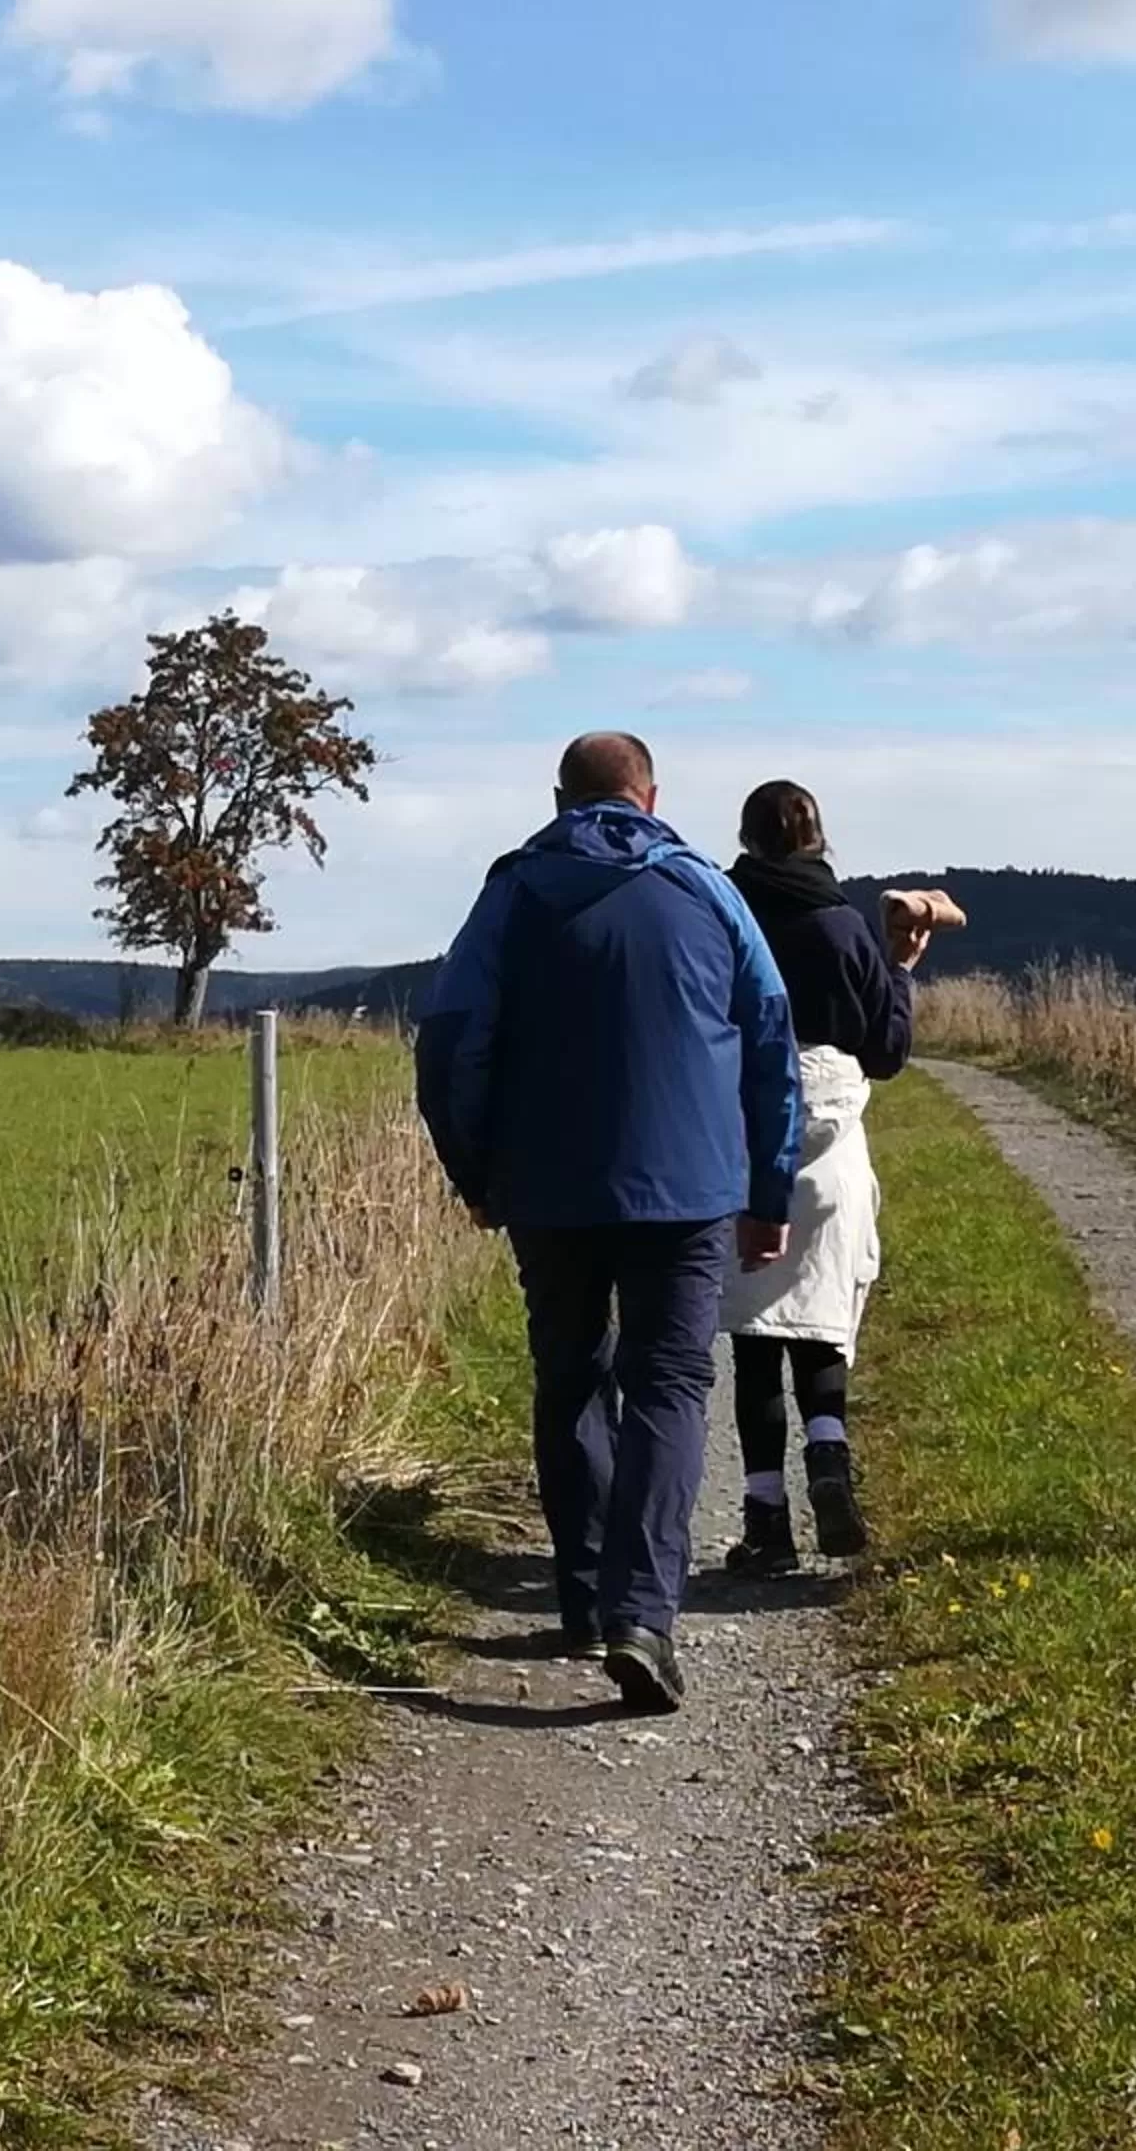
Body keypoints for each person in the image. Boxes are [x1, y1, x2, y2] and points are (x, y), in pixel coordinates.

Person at [414, 732, 805, 1713]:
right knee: (670, 1382)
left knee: (571, 1374)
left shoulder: (513, 892)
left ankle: (587, 1597)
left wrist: (473, 1169)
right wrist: (769, 1189)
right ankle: (643, 1615)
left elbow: (451, 1037)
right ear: (651, 796)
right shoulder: (707, 890)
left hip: (546, 1187)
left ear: (559, 799)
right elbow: (770, 1038)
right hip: (689, 1188)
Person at [717, 781, 929, 1575]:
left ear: (746, 839)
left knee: (755, 1338)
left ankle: (767, 1520)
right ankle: (830, 1452)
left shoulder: (725, 915)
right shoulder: (844, 926)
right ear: (818, 839)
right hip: (834, 1147)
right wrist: (899, 969)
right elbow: (887, 1053)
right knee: (820, 1323)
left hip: (745, 1134)